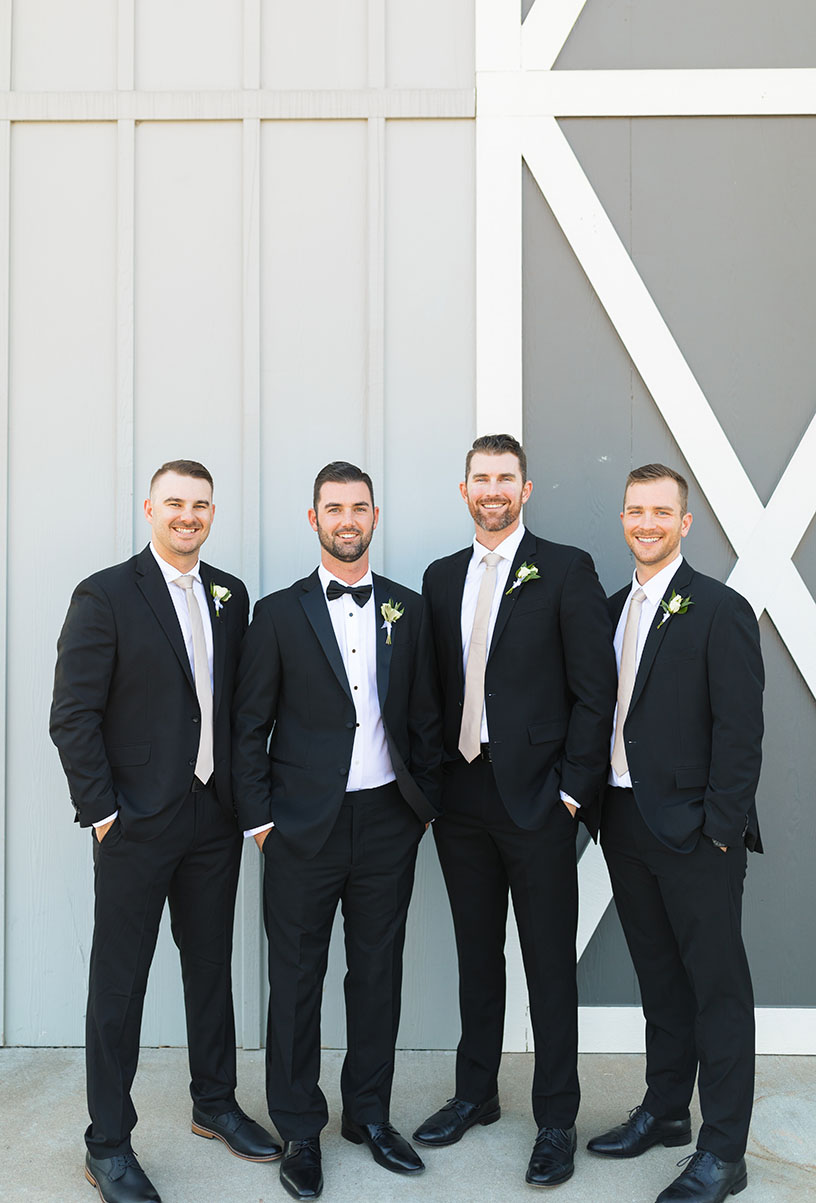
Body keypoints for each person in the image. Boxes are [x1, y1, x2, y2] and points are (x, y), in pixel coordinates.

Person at [50, 460, 280, 1203]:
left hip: (213, 818)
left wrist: (246, 804)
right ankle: (107, 1142)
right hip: (136, 824)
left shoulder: (230, 593)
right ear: (150, 507)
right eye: (175, 502)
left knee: (210, 967)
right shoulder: (107, 594)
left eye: (201, 504)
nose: (188, 515)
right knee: (119, 984)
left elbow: (239, 709)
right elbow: (73, 714)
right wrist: (105, 813)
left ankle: (214, 1102)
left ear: (213, 512)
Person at [231, 460, 441, 1201]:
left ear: (374, 517)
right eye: (333, 507)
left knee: (378, 974)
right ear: (313, 518)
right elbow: (249, 724)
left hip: (388, 820)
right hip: (299, 827)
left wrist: (422, 809)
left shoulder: (409, 611)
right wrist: (261, 823)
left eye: (358, 506)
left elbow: (425, 719)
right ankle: (298, 1127)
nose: (347, 518)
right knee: (294, 979)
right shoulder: (278, 613)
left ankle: (371, 1115)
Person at [415, 433, 617, 1187]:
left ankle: (556, 1116)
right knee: (476, 954)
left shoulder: (566, 569)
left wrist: (571, 792)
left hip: (539, 798)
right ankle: (476, 1093)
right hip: (460, 797)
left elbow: (597, 691)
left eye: (505, 478)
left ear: (525, 490)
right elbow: (429, 691)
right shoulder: (440, 577)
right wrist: (430, 792)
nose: (492, 489)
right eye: (481, 478)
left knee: (546, 962)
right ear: (464, 490)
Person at [587, 463, 763, 1203]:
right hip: (625, 821)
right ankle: (665, 1111)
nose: (647, 522)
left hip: (697, 834)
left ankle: (724, 1149)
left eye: (662, 511)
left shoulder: (721, 610)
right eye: (636, 510)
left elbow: (742, 731)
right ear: (624, 518)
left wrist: (719, 831)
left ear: (684, 522)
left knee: (717, 989)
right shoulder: (609, 607)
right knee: (660, 980)